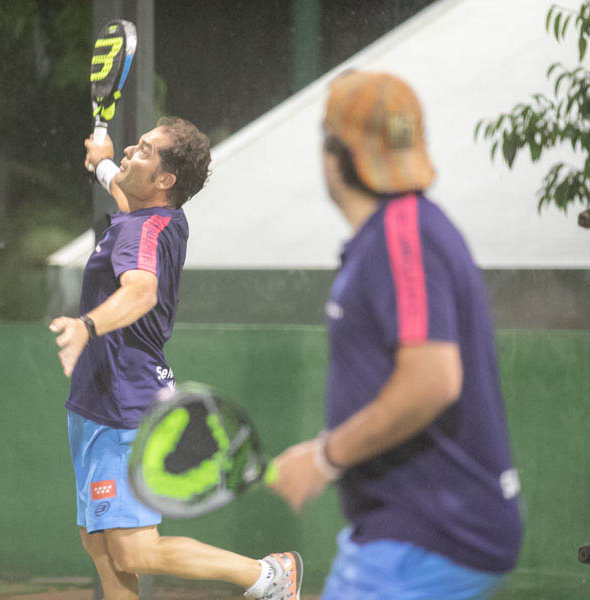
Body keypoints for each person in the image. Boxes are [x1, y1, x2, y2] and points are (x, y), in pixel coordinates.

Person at [269, 71, 523, 599]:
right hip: (411, 528)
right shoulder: (396, 232)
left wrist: (324, 458)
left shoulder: (403, 232)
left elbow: (432, 380)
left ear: (334, 155)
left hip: (428, 533)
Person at [49, 117, 303, 600]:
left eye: (144, 150)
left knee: (134, 552)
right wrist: (102, 162)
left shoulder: (143, 231)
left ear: (164, 179)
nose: (131, 150)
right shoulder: (152, 217)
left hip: (123, 406)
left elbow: (141, 291)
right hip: (94, 402)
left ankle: (267, 575)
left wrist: (87, 326)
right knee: (99, 542)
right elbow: (125, 193)